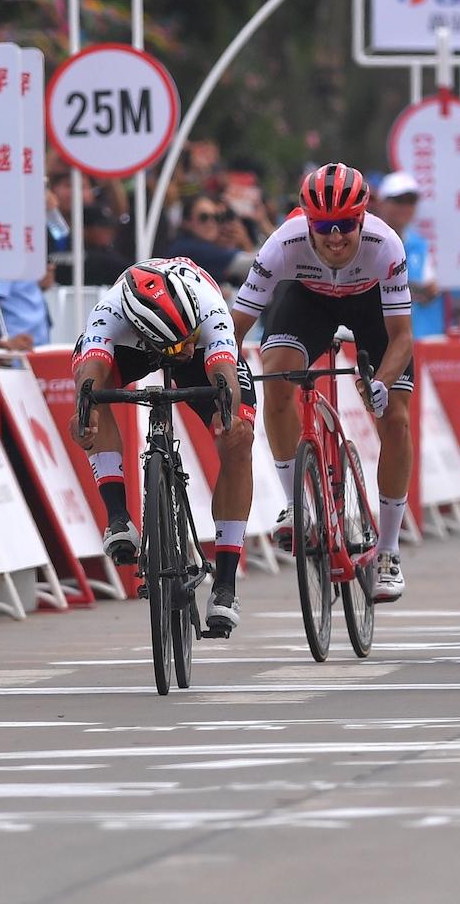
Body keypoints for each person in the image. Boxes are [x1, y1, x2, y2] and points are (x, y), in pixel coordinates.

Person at [230, 163, 415, 603]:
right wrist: (222, 371)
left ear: (362, 219)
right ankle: (298, 504)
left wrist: (382, 384)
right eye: (324, 227)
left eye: (346, 226)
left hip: (371, 306)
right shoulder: (283, 244)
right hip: (309, 300)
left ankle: (388, 551)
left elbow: (402, 337)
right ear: (307, 222)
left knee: (396, 419)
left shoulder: (385, 244)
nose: (335, 237)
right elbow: (236, 325)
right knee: (276, 377)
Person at [69, 259, 255, 633]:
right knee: (92, 402)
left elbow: (224, 376)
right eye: (177, 345)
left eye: (187, 341)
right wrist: (83, 415)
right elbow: (89, 378)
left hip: (202, 341)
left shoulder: (209, 309)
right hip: (133, 346)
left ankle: (225, 583)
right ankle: (118, 517)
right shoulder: (109, 312)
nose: (183, 350)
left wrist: (228, 416)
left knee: (240, 439)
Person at [373, 171, 445, 337]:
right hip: (380, 337)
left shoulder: (420, 244)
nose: (405, 208)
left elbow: (431, 290)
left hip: (422, 337)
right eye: (398, 201)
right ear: (382, 203)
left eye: (411, 201)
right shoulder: (369, 241)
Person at [167, 194, 251, 287]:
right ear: (187, 222)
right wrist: (244, 242)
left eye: (216, 217)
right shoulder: (190, 248)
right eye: (204, 217)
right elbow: (253, 265)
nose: (211, 223)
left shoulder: (191, 243)